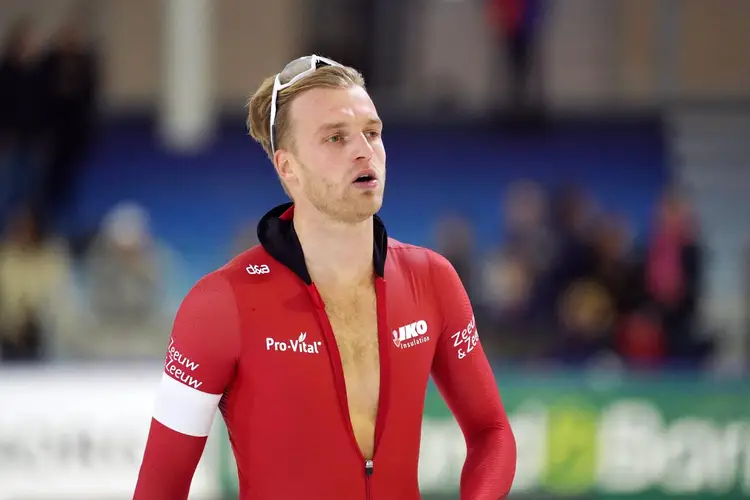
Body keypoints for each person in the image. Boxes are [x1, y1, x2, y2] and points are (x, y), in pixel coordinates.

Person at [134, 55, 516, 499]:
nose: (364, 150)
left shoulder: (431, 280)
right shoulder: (221, 305)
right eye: (336, 137)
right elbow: (159, 489)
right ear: (287, 167)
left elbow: (492, 433)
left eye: (372, 132)